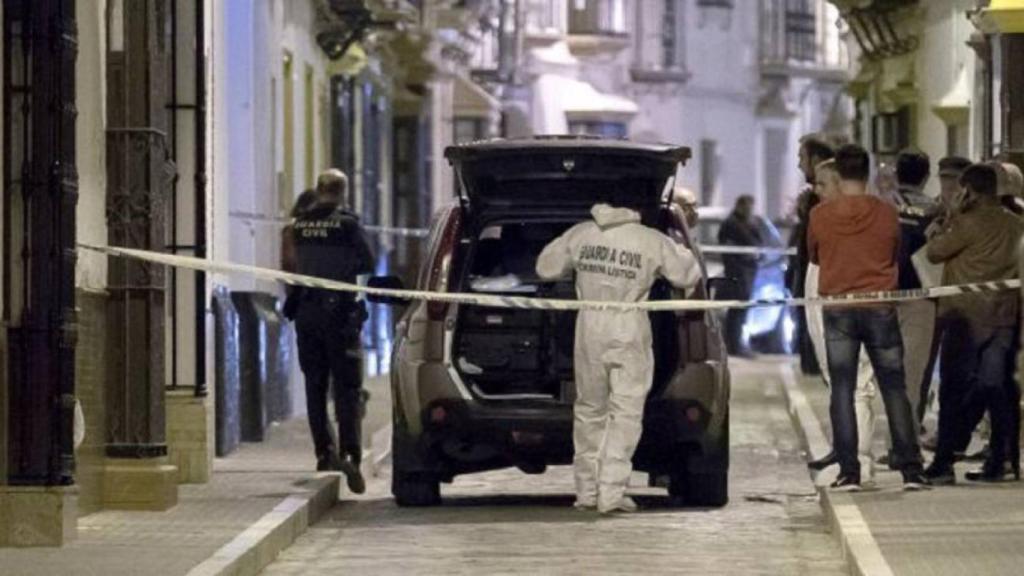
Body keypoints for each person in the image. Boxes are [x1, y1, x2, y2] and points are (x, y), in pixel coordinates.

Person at [537, 202, 700, 514]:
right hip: (629, 326)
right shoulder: (649, 239)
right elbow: (685, 274)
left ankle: (586, 491)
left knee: (589, 408)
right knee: (625, 412)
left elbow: (545, 266)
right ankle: (611, 492)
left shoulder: (582, 234)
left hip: (589, 326)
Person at [808, 144, 929, 491]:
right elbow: (896, 251)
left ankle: (849, 470)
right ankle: (911, 469)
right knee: (894, 388)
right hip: (880, 307)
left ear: (839, 173)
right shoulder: (886, 213)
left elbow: (814, 257)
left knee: (842, 390)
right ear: (868, 172)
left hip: (839, 310)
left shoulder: (820, 215)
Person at [925, 163, 1023, 483]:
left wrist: (949, 217)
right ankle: (1002, 460)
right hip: (1004, 316)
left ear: (970, 191)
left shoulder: (966, 223)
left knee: (953, 390)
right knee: (999, 390)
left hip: (964, 318)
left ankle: (943, 464)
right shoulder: (1016, 224)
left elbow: (935, 252)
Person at [293, 169, 374, 493]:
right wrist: (342, 271)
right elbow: (368, 262)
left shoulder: (301, 226)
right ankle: (350, 453)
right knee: (347, 387)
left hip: (307, 312)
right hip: (340, 314)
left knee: (315, 385)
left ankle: (324, 452)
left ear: (318, 189)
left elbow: (300, 264)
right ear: (342, 192)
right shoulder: (348, 225)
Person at [804, 160, 879, 484]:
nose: (815, 190)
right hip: (826, 298)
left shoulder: (856, 219)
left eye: (822, 184)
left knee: (855, 385)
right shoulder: (825, 218)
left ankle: (857, 462)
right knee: (840, 384)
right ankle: (848, 455)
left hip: (845, 303)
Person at [892, 150, 940, 438]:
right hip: (922, 296)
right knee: (912, 373)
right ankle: (905, 439)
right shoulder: (935, 210)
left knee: (883, 376)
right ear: (926, 176)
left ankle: (893, 441)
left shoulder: (883, 206)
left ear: (897, 173)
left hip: (882, 294)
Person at [791, 137, 836, 375]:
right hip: (809, 278)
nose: (799, 165)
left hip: (821, 280)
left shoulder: (823, 204)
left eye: (802, 158)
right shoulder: (809, 200)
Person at [718, 195, 762, 357]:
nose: (750, 210)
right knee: (736, 310)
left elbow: (758, 244)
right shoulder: (731, 224)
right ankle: (734, 345)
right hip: (737, 274)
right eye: (748, 206)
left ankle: (736, 344)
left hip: (747, 273)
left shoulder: (750, 223)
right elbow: (730, 249)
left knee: (741, 311)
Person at [282, 189, 319, 320]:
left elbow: (288, 262)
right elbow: (290, 261)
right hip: (305, 292)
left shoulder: (292, 229)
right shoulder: (293, 231)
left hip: (301, 292)